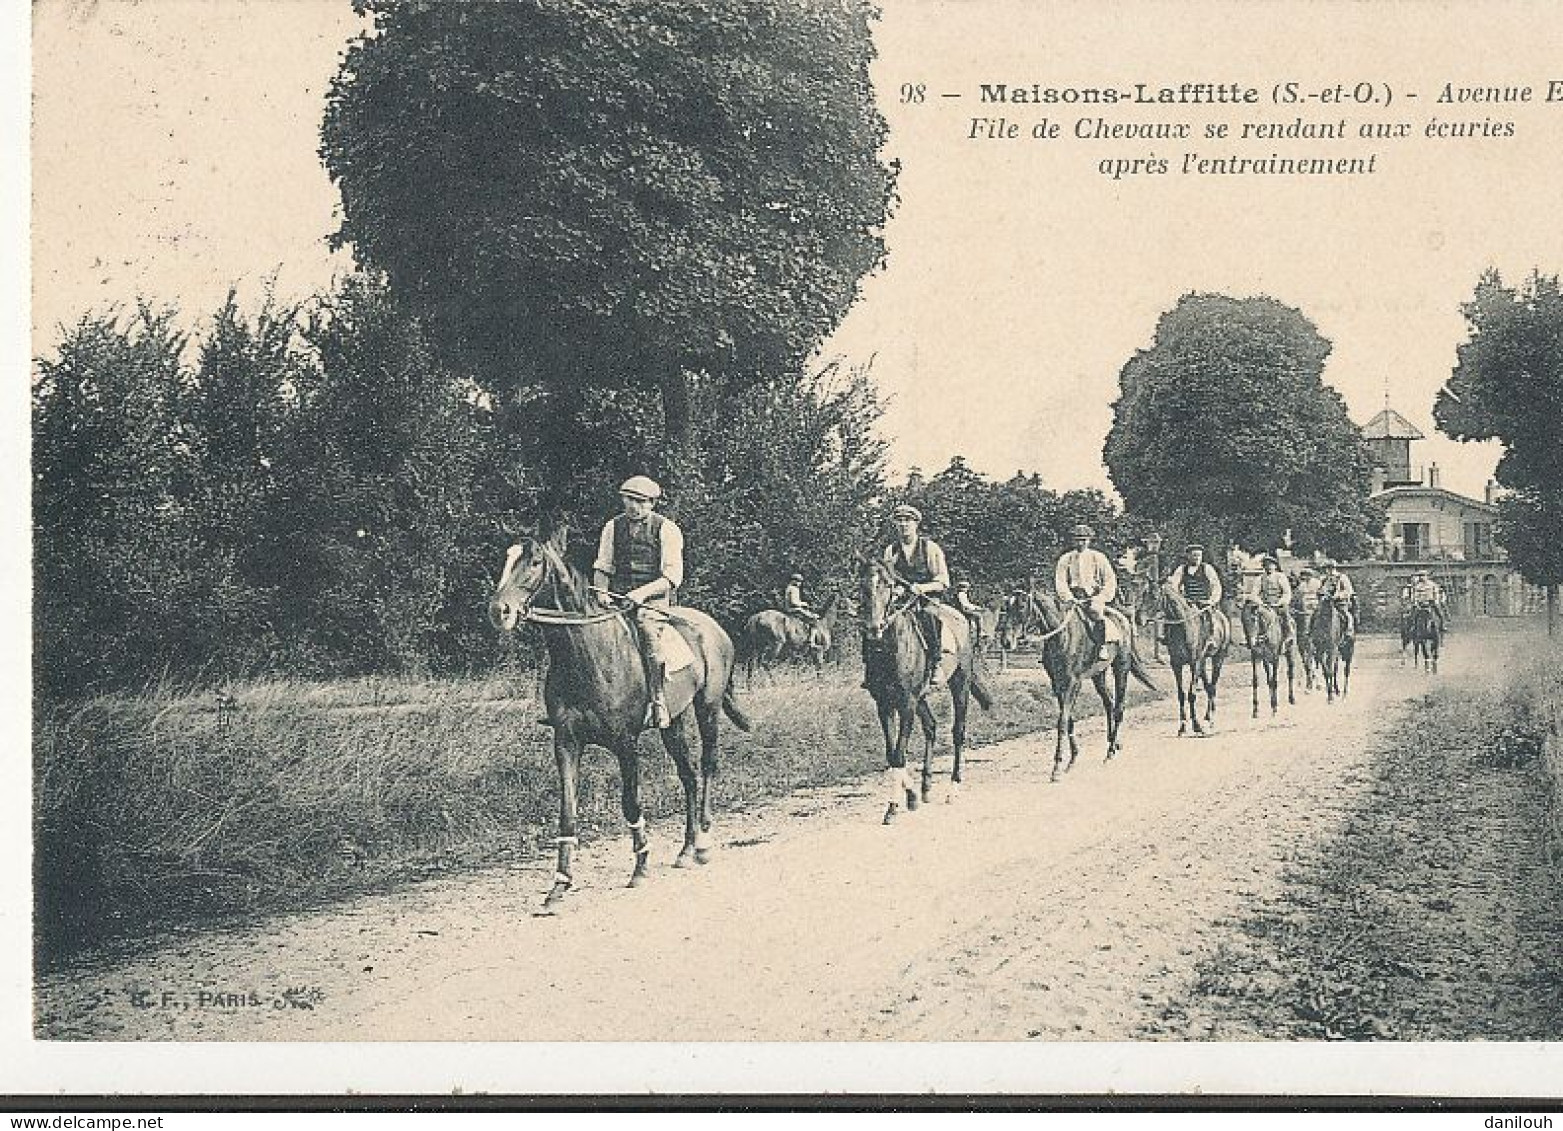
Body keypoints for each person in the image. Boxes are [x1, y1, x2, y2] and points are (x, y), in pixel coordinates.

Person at [591, 475, 685, 729]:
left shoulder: (667, 529)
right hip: (617, 600)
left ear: (652, 503)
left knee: (647, 632)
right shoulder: (612, 527)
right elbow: (603, 566)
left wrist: (641, 594)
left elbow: (672, 576)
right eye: (629, 500)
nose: (634, 506)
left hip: (653, 603)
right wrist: (601, 592)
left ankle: (657, 699)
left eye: (641, 502)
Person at [881, 503, 951, 687]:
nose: (903, 524)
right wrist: (895, 590)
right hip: (902, 598)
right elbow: (889, 578)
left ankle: (936, 663)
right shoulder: (890, 551)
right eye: (899, 520)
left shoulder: (930, 548)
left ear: (916, 524)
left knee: (929, 617)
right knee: (879, 621)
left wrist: (923, 587)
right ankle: (876, 670)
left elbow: (943, 580)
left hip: (928, 596)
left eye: (908, 520)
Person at [1054, 523, 1118, 661]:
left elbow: (1109, 579)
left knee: (1096, 612)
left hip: (1092, 597)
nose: (1080, 542)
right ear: (1072, 540)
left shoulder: (1098, 557)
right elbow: (1061, 581)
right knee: (1055, 618)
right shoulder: (1066, 559)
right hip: (1072, 597)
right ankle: (1055, 652)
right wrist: (1068, 597)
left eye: (1084, 539)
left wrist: (1101, 597)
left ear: (1089, 540)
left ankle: (1102, 646)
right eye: (1077, 539)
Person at [1166, 543, 1224, 618]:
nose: (1197, 558)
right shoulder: (1182, 569)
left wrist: (1211, 601)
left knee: (1212, 622)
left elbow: (1216, 586)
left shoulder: (1207, 568)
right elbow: (1174, 586)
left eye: (1199, 555)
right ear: (1188, 556)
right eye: (1194, 555)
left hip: (1204, 604)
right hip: (1188, 605)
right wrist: (1180, 599)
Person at [1253, 554, 1294, 645]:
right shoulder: (1260, 578)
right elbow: (1255, 594)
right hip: (1265, 604)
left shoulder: (1280, 577)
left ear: (1275, 566)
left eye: (1271, 565)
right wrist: (1261, 603)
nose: (1269, 567)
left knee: (1284, 612)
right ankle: (1256, 636)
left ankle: (1288, 634)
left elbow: (1286, 592)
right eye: (1266, 565)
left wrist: (1280, 602)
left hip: (1278, 604)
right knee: (1255, 615)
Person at [1318, 559, 1356, 640]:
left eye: (1330, 568)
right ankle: (1313, 632)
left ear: (1334, 568)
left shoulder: (1342, 577)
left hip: (1340, 602)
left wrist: (1338, 596)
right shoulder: (1324, 579)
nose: (1328, 570)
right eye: (1326, 568)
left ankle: (1348, 631)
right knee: (1316, 614)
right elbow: (1320, 589)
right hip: (1326, 602)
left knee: (1345, 614)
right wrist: (1322, 593)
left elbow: (1348, 590)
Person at [1404, 568, 1447, 634]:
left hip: (1431, 602)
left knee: (1439, 613)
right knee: (1412, 614)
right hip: (1420, 603)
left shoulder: (1432, 584)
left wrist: (1436, 601)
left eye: (1423, 575)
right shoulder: (1417, 586)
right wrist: (1415, 602)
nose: (1422, 577)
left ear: (1427, 576)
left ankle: (1442, 626)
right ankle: (1412, 627)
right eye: (1420, 576)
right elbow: (1414, 595)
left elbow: (1436, 593)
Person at [951, 579, 985, 647]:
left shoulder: (960, 594)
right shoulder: (961, 594)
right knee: (979, 616)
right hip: (963, 610)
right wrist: (976, 608)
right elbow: (965, 604)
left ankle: (974, 629)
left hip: (963, 609)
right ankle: (981, 632)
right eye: (965, 587)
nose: (966, 589)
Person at [1292, 565, 1322, 635]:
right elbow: (1297, 595)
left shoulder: (1317, 582)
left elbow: (1320, 593)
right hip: (1304, 603)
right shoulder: (1302, 585)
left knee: (1308, 614)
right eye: (1304, 575)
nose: (1305, 577)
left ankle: (1308, 630)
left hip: (1314, 602)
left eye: (1307, 575)